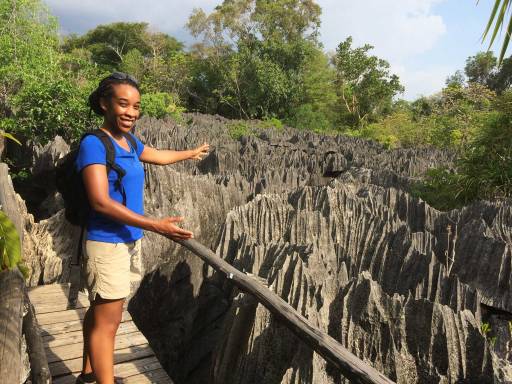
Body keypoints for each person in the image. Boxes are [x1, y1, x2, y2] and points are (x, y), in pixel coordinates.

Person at [74, 72, 209, 384]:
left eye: (136, 106)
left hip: (126, 241)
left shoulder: (129, 141)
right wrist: (155, 225)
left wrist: (190, 153)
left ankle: (88, 374)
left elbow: (158, 157)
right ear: (104, 103)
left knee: (99, 314)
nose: (130, 112)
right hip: (107, 244)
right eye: (123, 104)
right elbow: (100, 202)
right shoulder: (94, 145)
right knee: (108, 324)